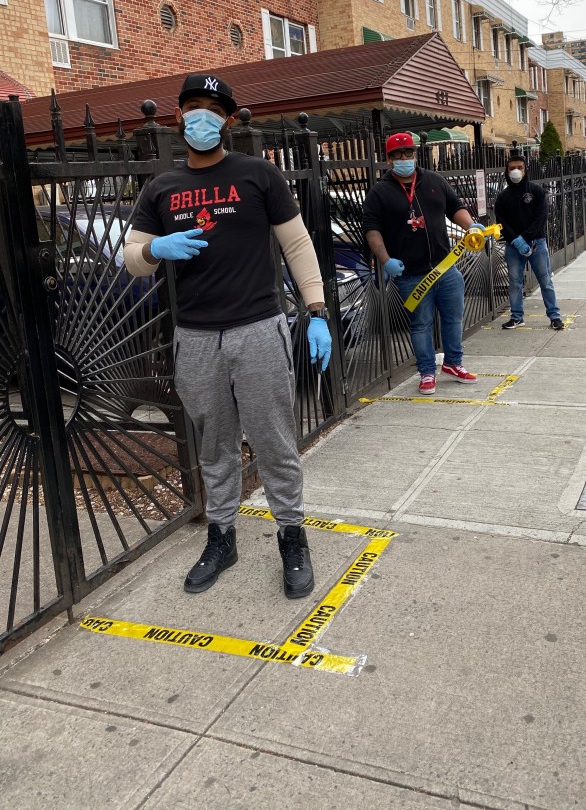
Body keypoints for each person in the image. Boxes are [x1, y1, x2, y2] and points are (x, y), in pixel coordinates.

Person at [124, 72, 332, 599]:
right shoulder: (162, 188)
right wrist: (155, 250)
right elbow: (131, 259)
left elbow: (298, 245)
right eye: (193, 107)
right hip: (195, 337)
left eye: (214, 110)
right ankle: (222, 536)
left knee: (274, 440)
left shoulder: (259, 175)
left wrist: (317, 311)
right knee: (214, 445)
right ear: (178, 117)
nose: (203, 117)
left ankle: (292, 535)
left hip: (258, 328)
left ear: (229, 119)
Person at [362, 131, 483, 395]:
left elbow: (455, 207)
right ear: (389, 159)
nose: (404, 158)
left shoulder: (434, 180)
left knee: (453, 318)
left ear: (415, 154)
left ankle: (453, 364)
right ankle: (427, 372)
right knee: (421, 324)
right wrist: (385, 260)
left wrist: (471, 225)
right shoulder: (379, 192)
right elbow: (372, 229)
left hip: (445, 268)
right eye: (397, 155)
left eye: (408, 153)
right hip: (411, 275)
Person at [494, 151, 564, 331]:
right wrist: (515, 241)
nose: (516, 171)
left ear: (525, 170)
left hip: (536, 243)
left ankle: (554, 316)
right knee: (514, 282)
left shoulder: (536, 191)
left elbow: (541, 217)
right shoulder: (503, 197)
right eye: (512, 168)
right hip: (513, 246)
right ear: (507, 171)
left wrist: (525, 238)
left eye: (519, 167)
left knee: (545, 281)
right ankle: (516, 317)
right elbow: (501, 221)